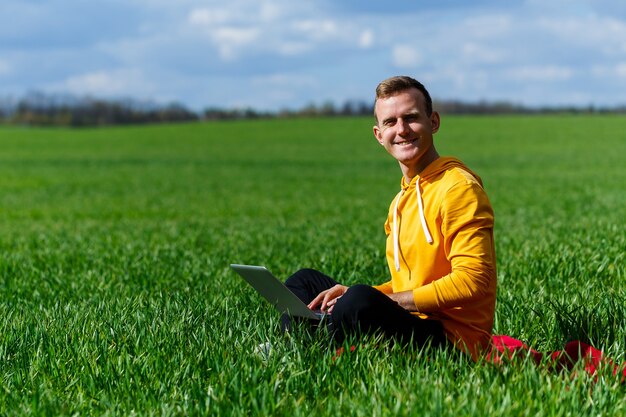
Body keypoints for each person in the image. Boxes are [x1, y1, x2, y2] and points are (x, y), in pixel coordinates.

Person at [283, 76, 497, 360]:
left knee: (358, 299)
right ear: (378, 134)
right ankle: (298, 345)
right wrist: (371, 295)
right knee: (305, 282)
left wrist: (377, 300)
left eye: (411, 118)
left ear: (433, 122)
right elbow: (409, 284)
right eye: (390, 122)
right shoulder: (400, 201)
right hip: (413, 322)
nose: (402, 130)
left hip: (453, 342)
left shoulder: (458, 188)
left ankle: (309, 349)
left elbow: (473, 281)